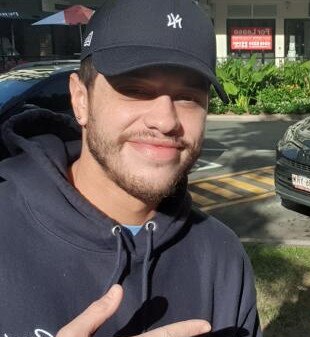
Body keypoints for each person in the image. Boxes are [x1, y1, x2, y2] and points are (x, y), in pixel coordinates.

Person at [0, 0, 261, 336]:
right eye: (136, 90)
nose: (166, 120)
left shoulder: (222, 258)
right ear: (81, 99)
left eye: (188, 97)